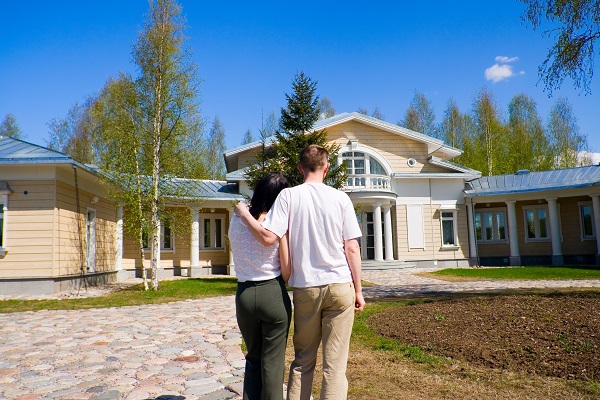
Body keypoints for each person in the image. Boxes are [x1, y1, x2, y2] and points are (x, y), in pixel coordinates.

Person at [235, 144, 365, 400]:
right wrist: (358, 290)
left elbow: (269, 236)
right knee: (335, 367)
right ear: (327, 168)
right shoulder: (341, 199)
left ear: (300, 168)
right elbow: (351, 247)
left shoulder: (288, 197)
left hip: (306, 288)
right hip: (340, 286)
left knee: (303, 360)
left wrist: (243, 214)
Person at [229, 172, 292, 400]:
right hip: (272, 292)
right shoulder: (276, 224)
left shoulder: (236, 219)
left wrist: (245, 212)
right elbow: (286, 271)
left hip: (244, 294)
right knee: (272, 364)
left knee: (253, 358)